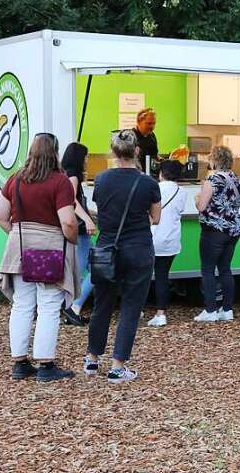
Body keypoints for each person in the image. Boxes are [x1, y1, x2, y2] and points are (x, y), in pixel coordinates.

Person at [0, 132, 80, 382]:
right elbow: (68, 222)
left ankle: (19, 363)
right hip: (50, 249)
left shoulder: (16, 179)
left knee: (22, 304)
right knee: (49, 306)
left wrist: (20, 235)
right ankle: (45, 364)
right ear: (55, 152)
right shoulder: (60, 181)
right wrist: (71, 240)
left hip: (19, 249)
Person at [84, 129, 162, 384]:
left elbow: (102, 209)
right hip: (138, 248)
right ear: (137, 151)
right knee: (131, 306)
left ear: (114, 152)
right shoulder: (148, 183)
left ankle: (92, 358)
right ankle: (118, 365)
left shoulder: (102, 179)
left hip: (107, 247)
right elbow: (156, 218)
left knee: (102, 304)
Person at [193, 145, 240, 323]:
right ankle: (227, 309)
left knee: (207, 270)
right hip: (233, 229)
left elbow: (202, 206)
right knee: (225, 269)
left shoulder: (212, 179)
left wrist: (196, 198)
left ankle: (210, 310)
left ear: (215, 159)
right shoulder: (235, 178)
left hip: (213, 230)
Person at [60, 142, 97, 326]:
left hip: (78, 228)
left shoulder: (64, 172)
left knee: (92, 269)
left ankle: (73, 305)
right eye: (86, 156)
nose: (87, 160)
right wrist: (88, 219)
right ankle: (73, 306)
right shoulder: (73, 175)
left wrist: (90, 212)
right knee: (91, 269)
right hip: (80, 230)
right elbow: (71, 200)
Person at [146, 159, 187, 327]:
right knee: (162, 276)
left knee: (142, 277)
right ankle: (161, 313)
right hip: (171, 240)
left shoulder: (153, 188)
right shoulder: (182, 192)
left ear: (161, 173)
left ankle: (138, 309)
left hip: (151, 238)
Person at [133, 108, 159, 172]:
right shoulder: (131, 137)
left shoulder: (152, 136)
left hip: (150, 174)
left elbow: (155, 156)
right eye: (149, 123)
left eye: (154, 123)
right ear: (139, 122)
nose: (152, 127)